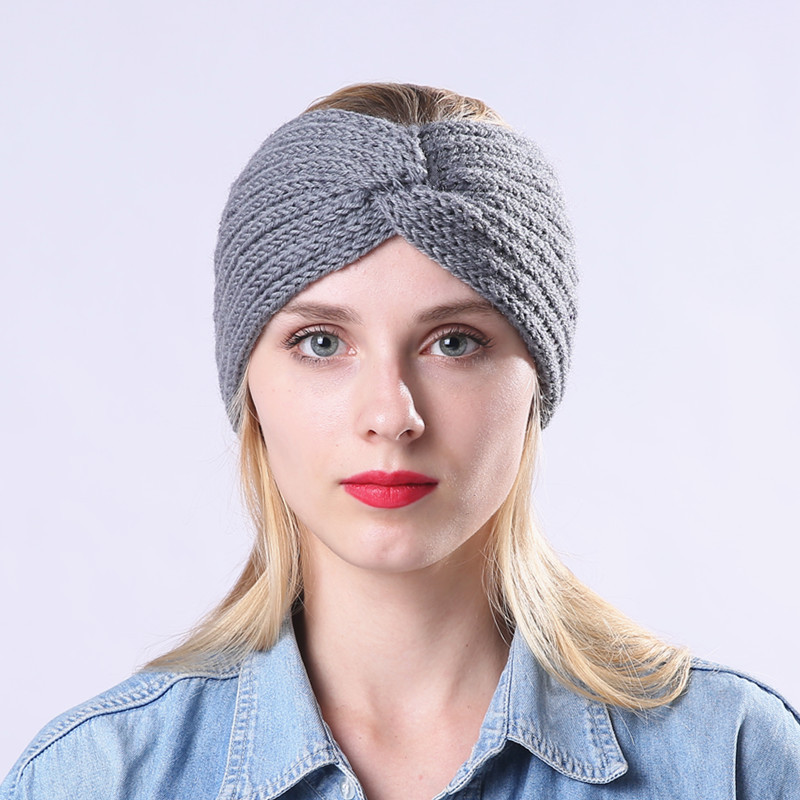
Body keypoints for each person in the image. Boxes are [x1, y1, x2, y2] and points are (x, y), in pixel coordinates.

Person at [2, 82, 799, 800]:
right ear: (251, 389)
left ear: (536, 384)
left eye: (454, 342)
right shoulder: (94, 779)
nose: (391, 415)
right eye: (321, 342)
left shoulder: (734, 758)